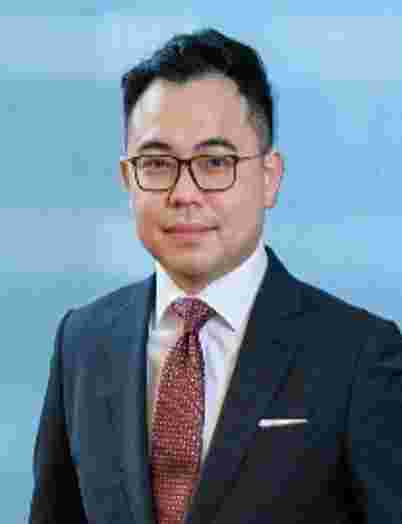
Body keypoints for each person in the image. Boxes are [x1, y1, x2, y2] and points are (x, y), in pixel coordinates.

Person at [29, 28, 402, 524]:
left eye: (214, 162)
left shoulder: (358, 356)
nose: (184, 193)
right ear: (128, 179)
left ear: (269, 177)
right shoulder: (83, 342)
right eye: (156, 164)